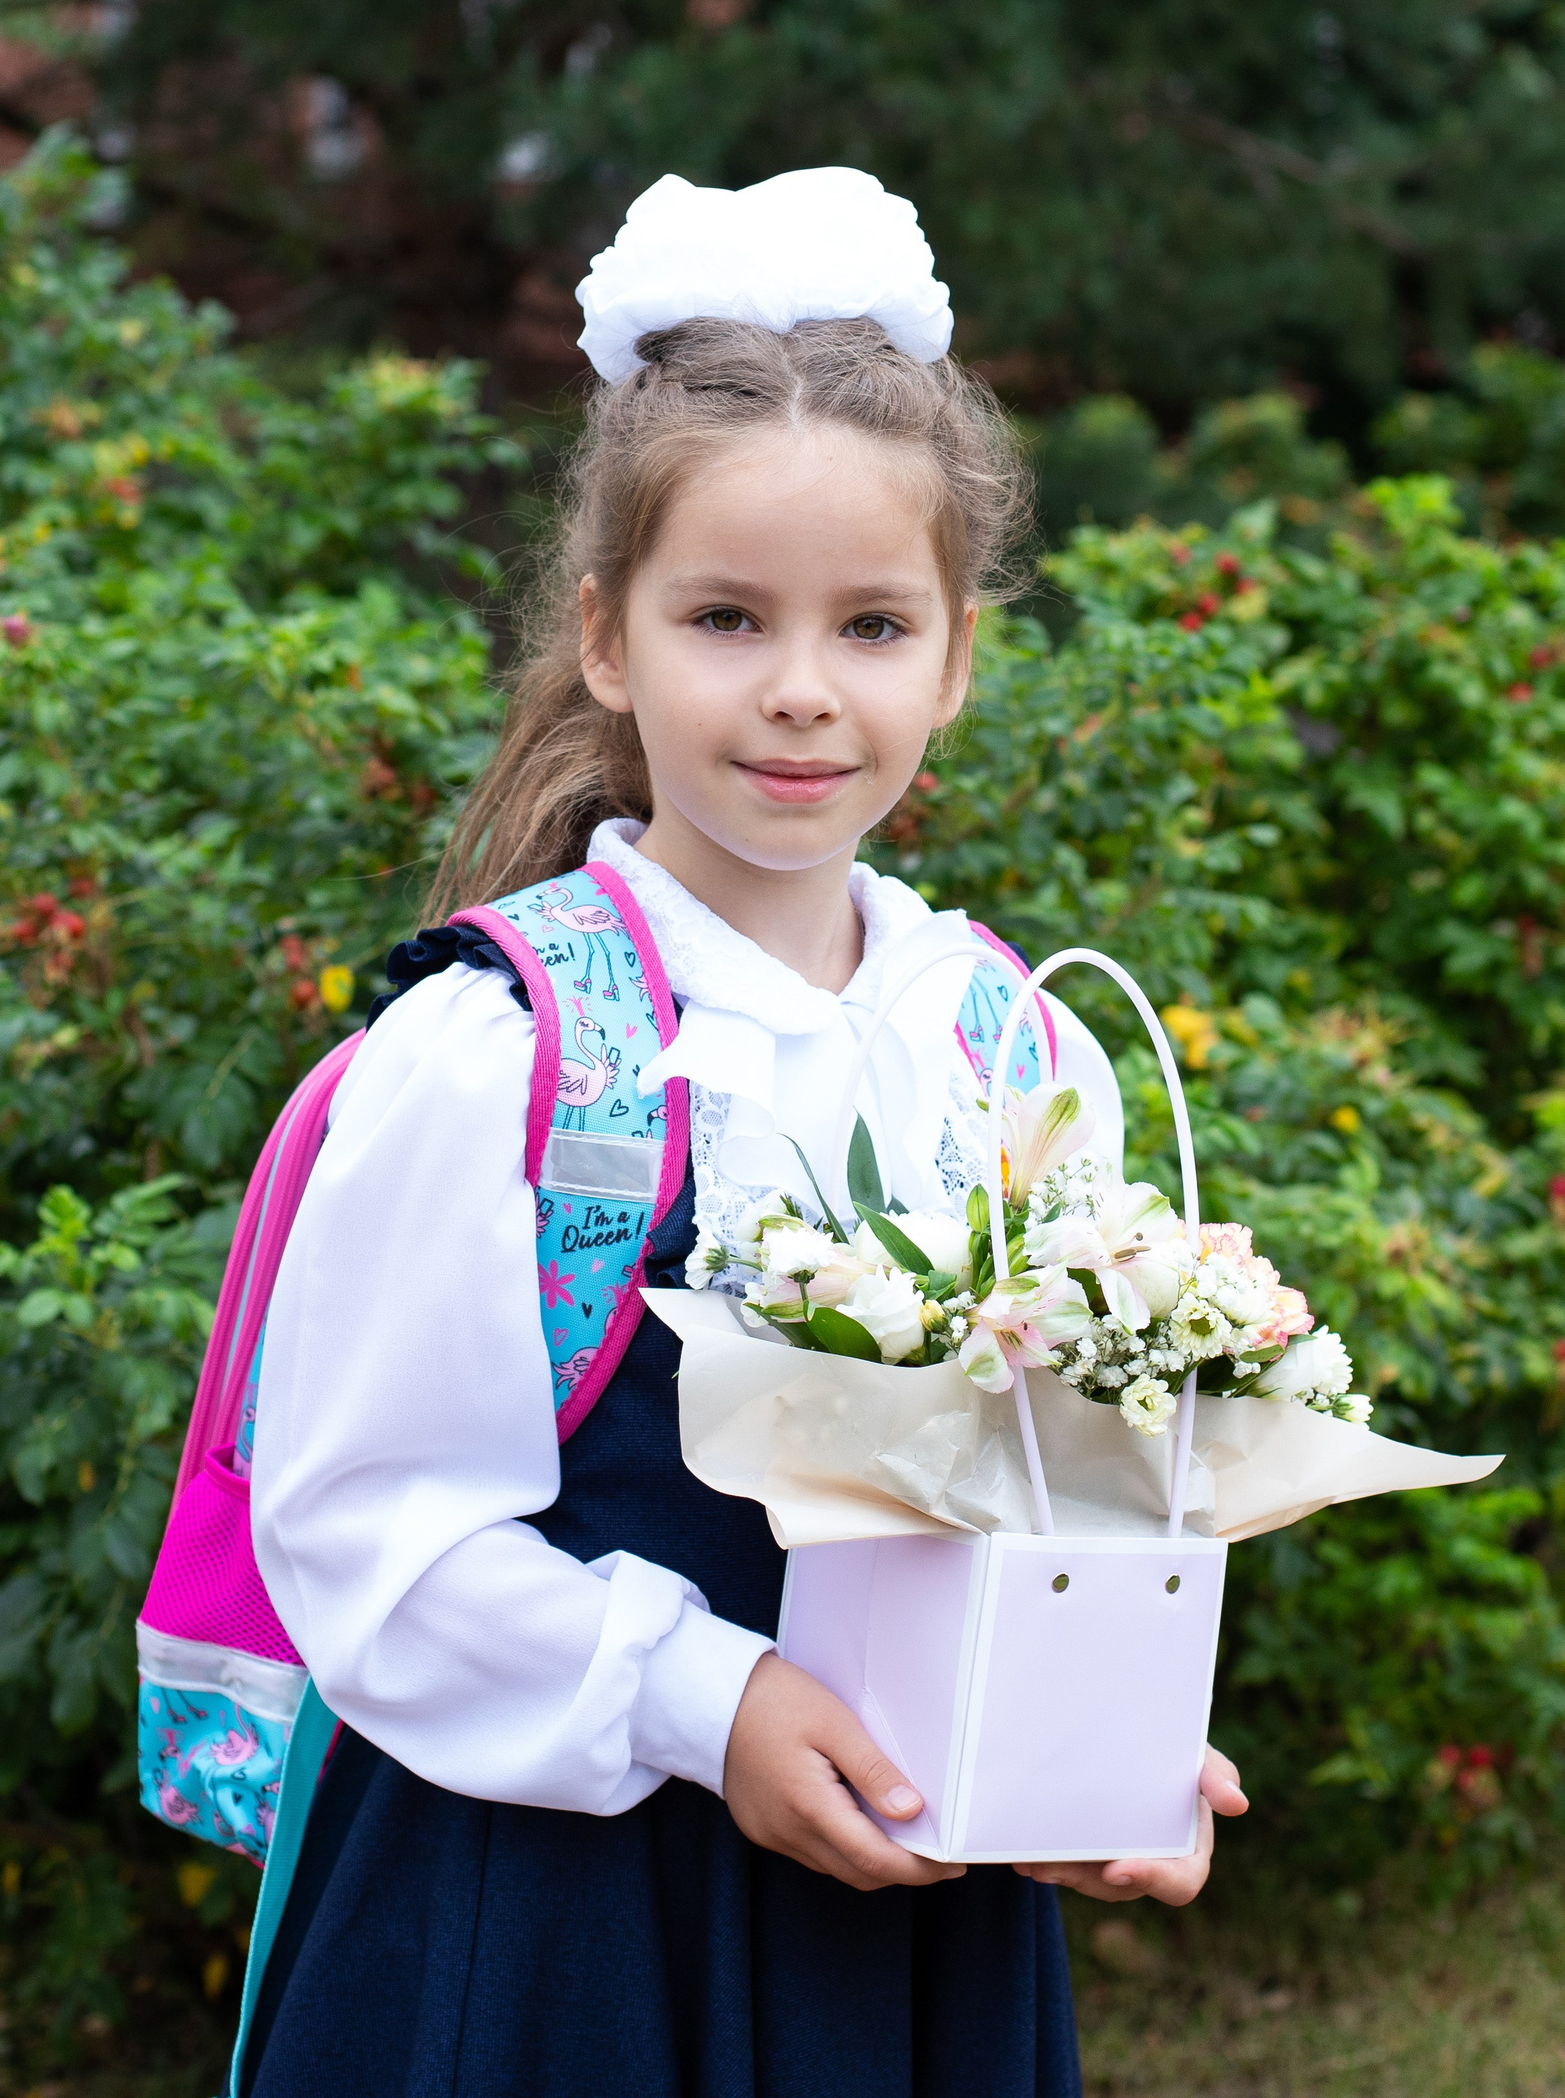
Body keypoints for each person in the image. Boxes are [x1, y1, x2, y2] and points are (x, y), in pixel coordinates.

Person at [240, 167, 1247, 2098]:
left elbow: (1090, 1490)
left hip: (913, 1922)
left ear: (957, 657)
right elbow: (370, 1534)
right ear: (610, 639)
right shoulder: (494, 1055)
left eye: (873, 624)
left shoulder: (1022, 1052)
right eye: (727, 617)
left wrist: (1117, 1737)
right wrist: (712, 1699)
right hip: (555, 1936)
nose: (802, 690)